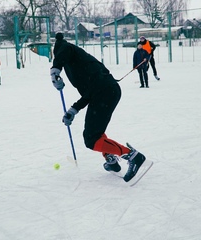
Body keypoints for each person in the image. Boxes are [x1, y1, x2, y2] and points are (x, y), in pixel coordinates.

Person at [50, 32, 147, 182]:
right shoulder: (77, 64)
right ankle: (111, 159)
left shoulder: (67, 49)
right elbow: (89, 93)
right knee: (96, 133)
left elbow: (64, 49)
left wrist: (55, 71)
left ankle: (132, 156)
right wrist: (73, 110)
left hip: (105, 92)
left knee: (91, 139)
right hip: (105, 92)